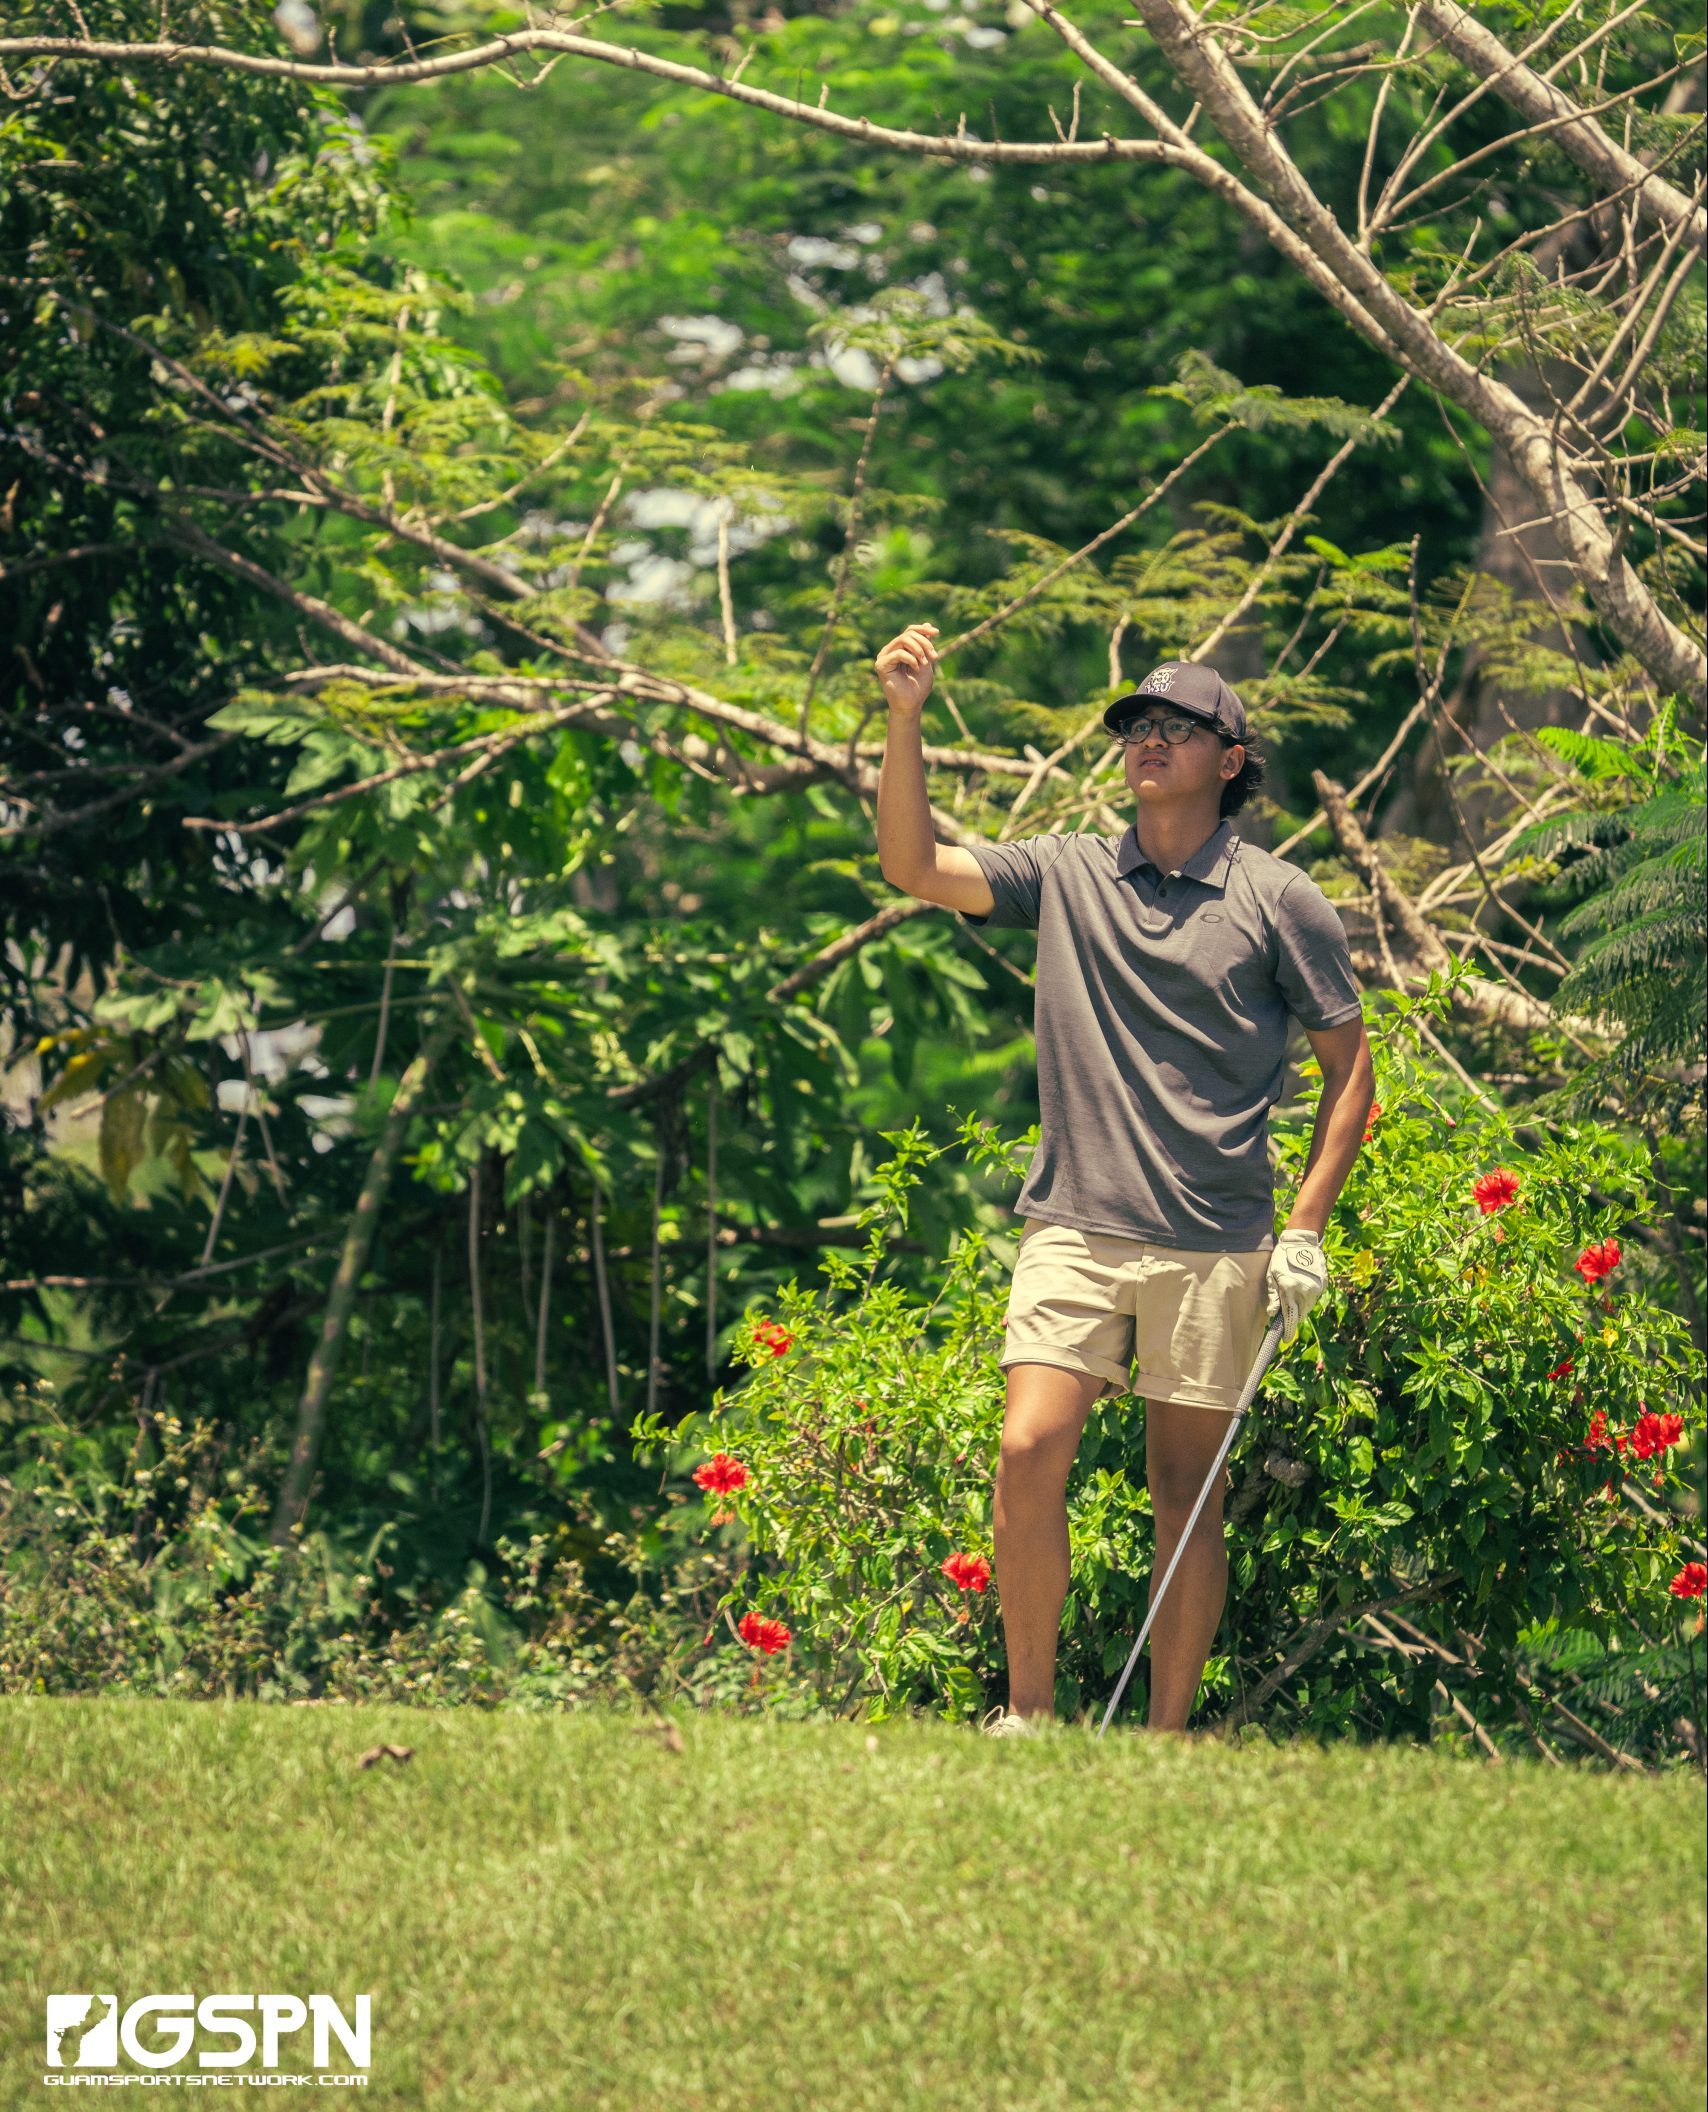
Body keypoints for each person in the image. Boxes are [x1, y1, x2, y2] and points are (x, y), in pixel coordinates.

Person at [873, 621, 1375, 1737]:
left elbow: (1353, 1079)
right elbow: (912, 867)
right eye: (1136, 727)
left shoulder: (1278, 899)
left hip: (1216, 1236)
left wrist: (1304, 1229)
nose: (1148, 742)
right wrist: (905, 719)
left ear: (1229, 760)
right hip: (1075, 1222)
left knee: (1182, 1495)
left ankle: (1162, 1743)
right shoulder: (1064, 872)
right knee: (1026, 1444)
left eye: (1176, 728)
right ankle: (1029, 1717)